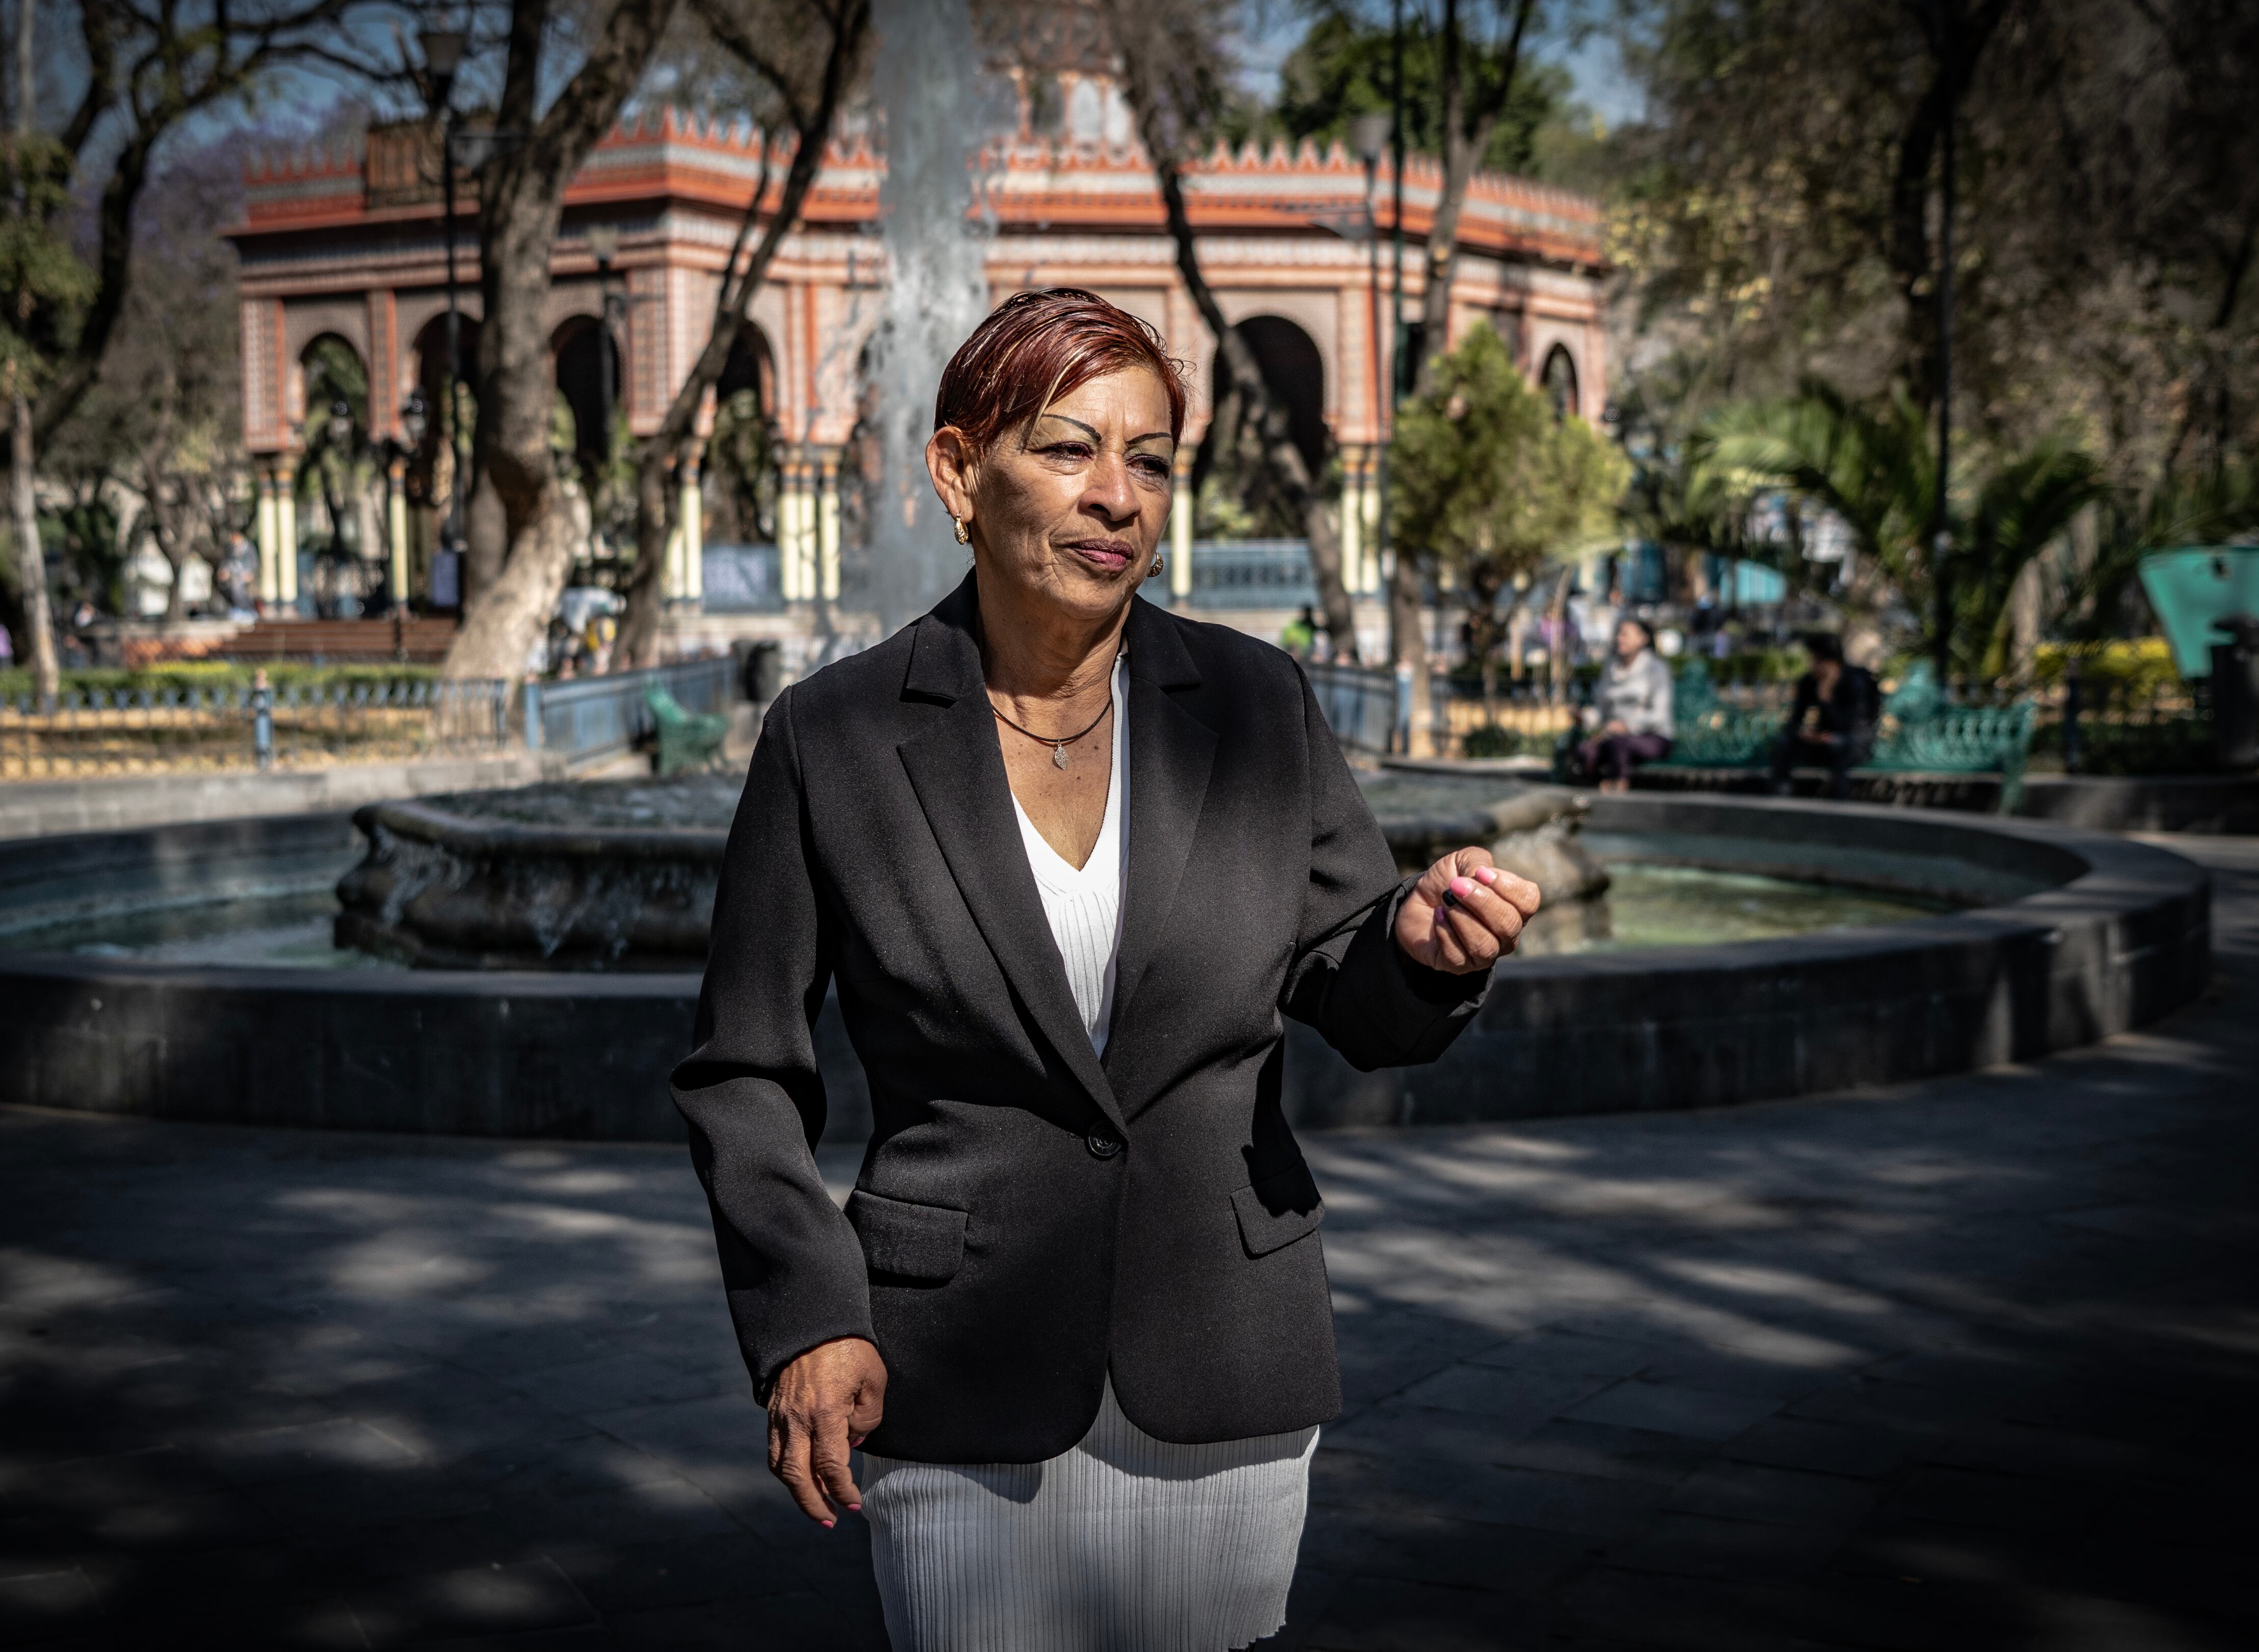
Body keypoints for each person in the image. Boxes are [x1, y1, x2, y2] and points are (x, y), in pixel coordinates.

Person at [676, 288, 1540, 1652]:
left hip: (1226, 1357)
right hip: (954, 1377)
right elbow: (743, 1069)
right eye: (1071, 447)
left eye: (1148, 459)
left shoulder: (1256, 704)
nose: (1116, 494)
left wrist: (1422, 952)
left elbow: (1353, 978)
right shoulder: (830, 737)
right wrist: (806, 1314)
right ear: (959, 471)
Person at [1770, 630, 1878, 800]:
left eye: (1816, 660)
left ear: (1831, 662)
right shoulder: (1809, 682)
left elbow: (1850, 725)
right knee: (1784, 743)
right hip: (1823, 741)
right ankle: (1782, 801)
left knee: (1841, 747)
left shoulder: (1854, 682)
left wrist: (1826, 698)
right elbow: (1795, 719)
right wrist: (1803, 733)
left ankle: (1838, 808)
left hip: (1853, 741)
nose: (1812, 665)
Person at [1577, 615, 1673, 792]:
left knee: (1620, 743)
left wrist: (1626, 726)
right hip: (1614, 739)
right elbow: (1602, 709)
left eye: (1625, 634)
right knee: (1585, 749)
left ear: (1643, 639)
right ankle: (1591, 793)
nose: (1619, 639)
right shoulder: (1610, 668)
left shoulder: (1656, 669)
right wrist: (1583, 717)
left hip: (1652, 737)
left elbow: (1659, 716)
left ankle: (1620, 785)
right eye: (1619, 634)